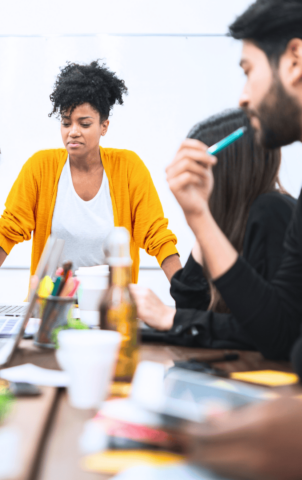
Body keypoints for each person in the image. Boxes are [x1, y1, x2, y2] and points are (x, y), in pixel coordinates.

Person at [165, 1, 302, 478]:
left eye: (248, 71)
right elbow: (282, 328)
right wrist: (200, 217)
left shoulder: (274, 211)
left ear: (294, 61)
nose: (244, 97)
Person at [0, 60, 181, 284]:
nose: (73, 132)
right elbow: (9, 231)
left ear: (104, 126)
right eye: (65, 123)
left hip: (110, 309)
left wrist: (185, 291)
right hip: (51, 308)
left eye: (84, 124)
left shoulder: (129, 167)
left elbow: (156, 234)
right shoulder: (40, 167)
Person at [130, 108, 295, 350]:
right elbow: (190, 305)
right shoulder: (228, 223)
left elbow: (268, 328)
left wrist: (169, 317)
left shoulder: (271, 210)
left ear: (225, 169)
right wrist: (204, 220)